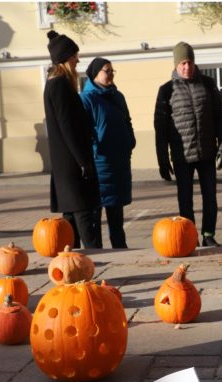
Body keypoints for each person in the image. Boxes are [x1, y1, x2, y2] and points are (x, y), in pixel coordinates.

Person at [154, 41, 222, 247]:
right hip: (182, 156)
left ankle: (208, 234)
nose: (187, 67)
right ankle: (189, 237)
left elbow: (220, 115)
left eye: (190, 62)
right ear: (176, 65)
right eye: (183, 63)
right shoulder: (166, 90)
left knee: (210, 198)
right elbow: (160, 128)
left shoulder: (208, 84)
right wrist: (162, 160)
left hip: (207, 153)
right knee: (185, 200)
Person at [43, 29, 102, 249]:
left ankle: (73, 259)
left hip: (67, 162)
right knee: (83, 214)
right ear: (66, 58)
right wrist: (83, 162)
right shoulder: (59, 85)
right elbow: (67, 127)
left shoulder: (58, 84)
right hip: (71, 163)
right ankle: (94, 257)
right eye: (75, 56)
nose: (78, 60)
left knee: (71, 218)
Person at [80, 57, 136, 249]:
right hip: (100, 163)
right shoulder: (87, 98)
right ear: (96, 73)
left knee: (116, 211)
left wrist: (130, 142)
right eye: (107, 70)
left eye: (112, 70)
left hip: (119, 160)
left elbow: (127, 120)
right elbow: (85, 131)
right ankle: (96, 251)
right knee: (96, 212)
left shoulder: (117, 96)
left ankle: (120, 247)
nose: (111, 74)